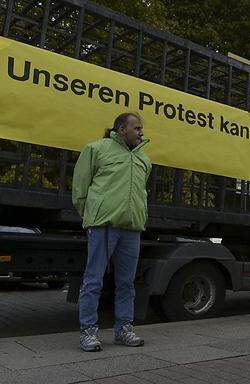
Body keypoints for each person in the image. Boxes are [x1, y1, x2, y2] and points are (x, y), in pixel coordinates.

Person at [72, 112, 151, 352]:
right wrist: (93, 216)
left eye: (141, 128)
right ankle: (88, 332)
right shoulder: (96, 149)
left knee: (126, 283)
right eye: (136, 128)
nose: (141, 133)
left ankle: (123, 329)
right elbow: (80, 187)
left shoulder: (144, 160)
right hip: (103, 226)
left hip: (132, 229)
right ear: (120, 129)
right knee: (93, 280)